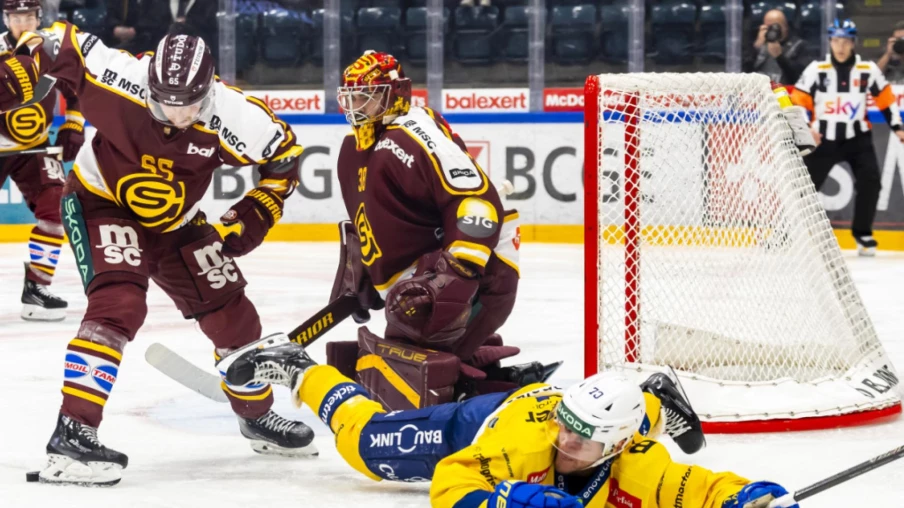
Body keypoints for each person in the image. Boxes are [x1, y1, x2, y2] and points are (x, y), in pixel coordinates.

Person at [0, 22, 313, 486]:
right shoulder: (117, 74)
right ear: (149, 82)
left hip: (175, 219)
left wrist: (256, 211)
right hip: (98, 200)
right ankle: (73, 435)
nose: (176, 111)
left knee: (234, 314)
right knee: (120, 302)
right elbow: (50, 40)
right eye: (165, 99)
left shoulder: (238, 116)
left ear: (209, 90)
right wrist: (21, 66)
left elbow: (284, 158)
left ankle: (256, 416)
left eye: (189, 102)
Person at [218, 335, 795, 508]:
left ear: (621, 446)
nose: (563, 441)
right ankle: (298, 368)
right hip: (486, 420)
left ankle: (652, 400)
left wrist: (750, 499)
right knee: (369, 446)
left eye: (581, 438)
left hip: (600, 411)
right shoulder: (532, 441)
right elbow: (451, 482)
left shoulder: (635, 459)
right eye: (566, 426)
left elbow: (691, 487)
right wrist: (501, 502)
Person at [327, 50, 550, 412]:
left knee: (412, 373)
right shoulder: (355, 146)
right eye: (351, 96)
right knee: (404, 359)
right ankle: (474, 369)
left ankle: (492, 389)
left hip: (483, 270)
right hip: (417, 270)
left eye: (366, 95)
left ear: (395, 93)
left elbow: (476, 200)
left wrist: (456, 272)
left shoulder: (412, 135)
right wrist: (362, 270)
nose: (356, 105)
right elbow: (370, 215)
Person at [792, 19, 904, 256]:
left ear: (853, 42)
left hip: (858, 139)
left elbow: (885, 100)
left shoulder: (868, 70)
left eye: (845, 41)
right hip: (822, 138)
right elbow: (799, 101)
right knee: (804, 187)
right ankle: (788, 232)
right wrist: (805, 128)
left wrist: (897, 126)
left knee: (871, 183)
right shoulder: (816, 70)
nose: (840, 46)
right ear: (830, 41)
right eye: (836, 40)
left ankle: (863, 233)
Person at [0, 0, 83, 321]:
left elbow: (75, 90)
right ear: (7, 18)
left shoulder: (52, 50)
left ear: (38, 17)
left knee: (55, 208)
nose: (23, 22)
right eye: (16, 16)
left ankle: (37, 290)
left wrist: (74, 125)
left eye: (28, 16)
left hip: (34, 148)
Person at [744, 9, 808, 86]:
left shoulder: (799, 45)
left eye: (776, 26)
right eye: (768, 27)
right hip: (759, 92)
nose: (772, 31)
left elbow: (799, 78)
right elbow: (743, 73)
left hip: (785, 93)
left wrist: (780, 57)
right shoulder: (756, 43)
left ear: (785, 27)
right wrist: (755, 48)